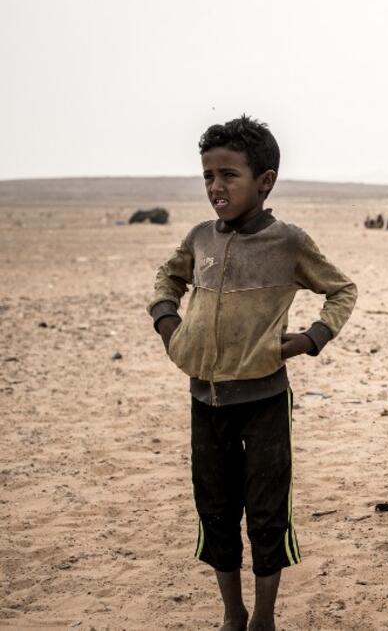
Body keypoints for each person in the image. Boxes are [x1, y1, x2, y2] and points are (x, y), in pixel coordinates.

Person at [148, 116, 357, 631]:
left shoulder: (287, 243)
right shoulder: (199, 237)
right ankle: (232, 614)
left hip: (265, 401)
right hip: (205, 401)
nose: (216, 187)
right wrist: (169, 324)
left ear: (265, 181)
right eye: (208, 177)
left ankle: (264, 618)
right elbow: (168, 276)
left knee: (266, 514)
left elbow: (342, 289)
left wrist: (312, 338)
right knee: (216, 511)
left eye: (228, 175)